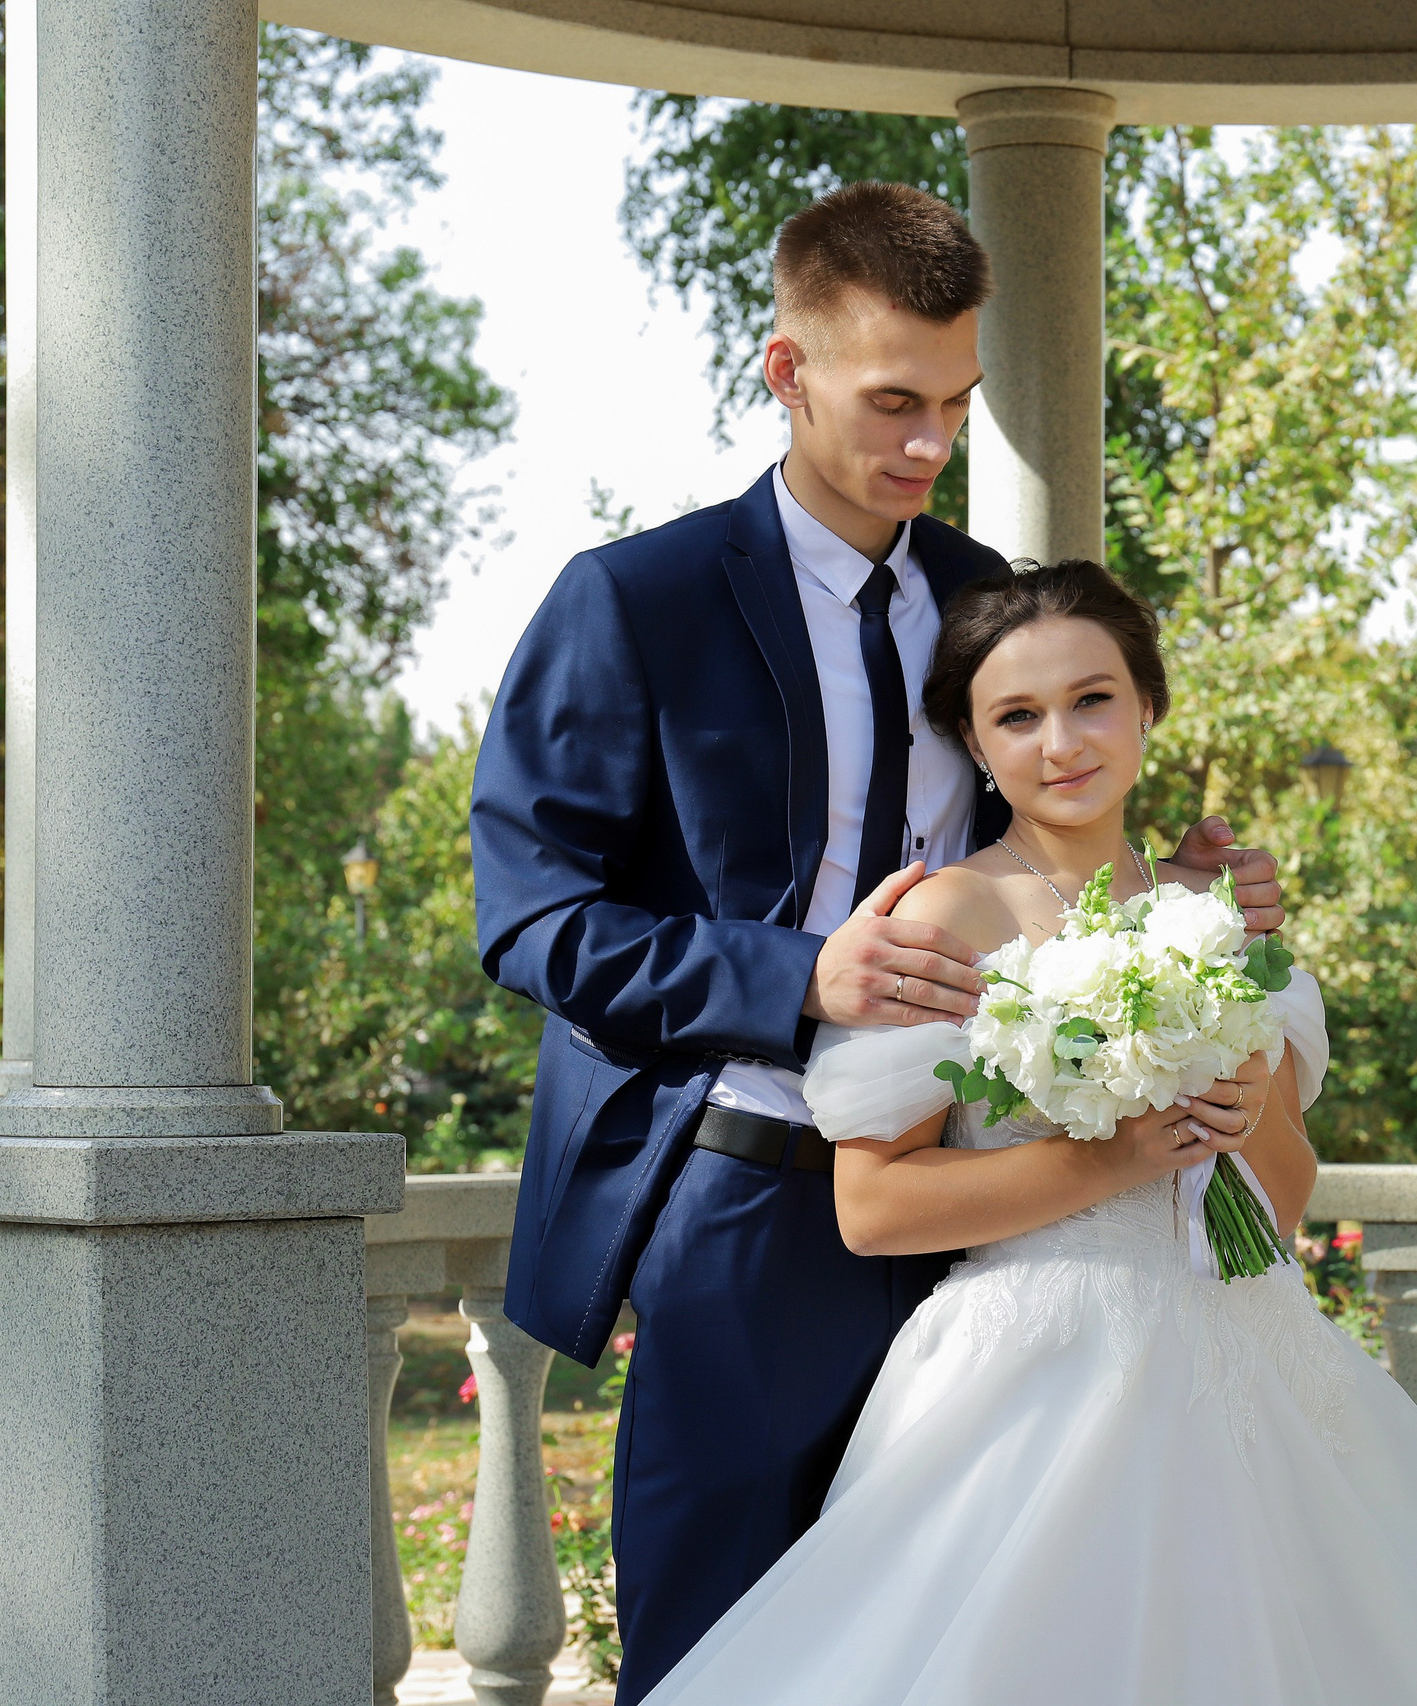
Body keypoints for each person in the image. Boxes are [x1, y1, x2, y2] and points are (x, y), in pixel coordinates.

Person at [469, 181, 1282, 1699]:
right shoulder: (630, 604)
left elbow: (1046, 840)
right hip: (746, 1198)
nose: (927, 445)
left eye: (956, 406)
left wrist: (1178, 899)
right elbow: (529, 918)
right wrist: (799, 977)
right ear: (786, 371)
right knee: (720, 1652)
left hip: (1001, 1220)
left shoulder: (988, 602)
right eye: (892, 402)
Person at [632, 560, 1417, 1705]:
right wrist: (1109, 1156)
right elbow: (872, 1210)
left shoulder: (1210, 915)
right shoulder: (945, 913)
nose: (1060, 740)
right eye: (1016, 715)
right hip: (1034, 1369)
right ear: (973, 742)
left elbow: (1286, 1196)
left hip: (1251, 1348)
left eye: (1092, 698)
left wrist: (1246, 1093)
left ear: (1148, 705)